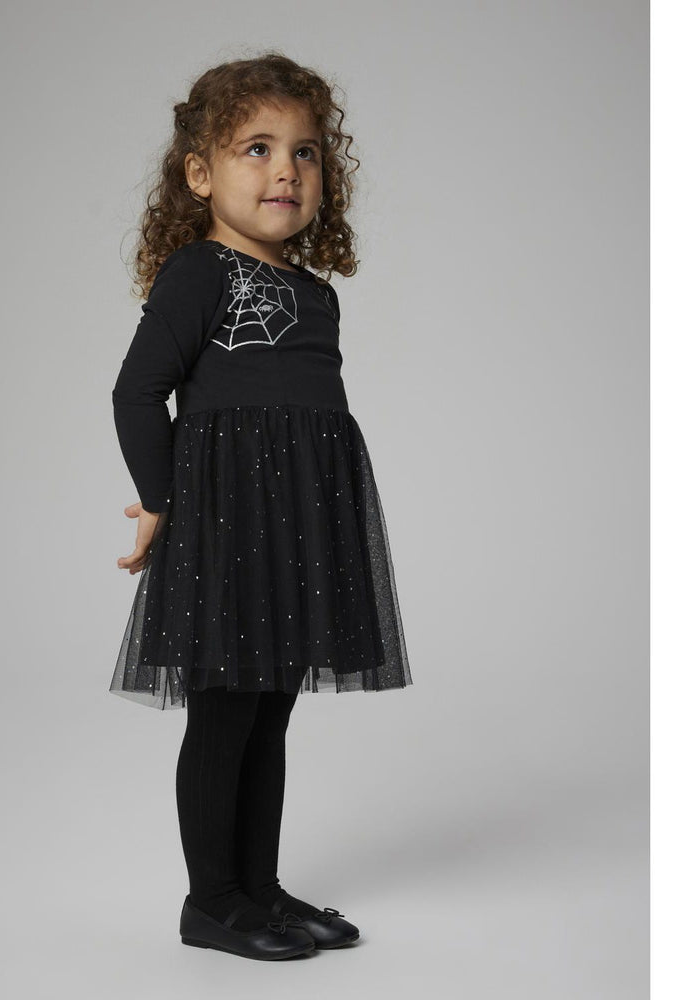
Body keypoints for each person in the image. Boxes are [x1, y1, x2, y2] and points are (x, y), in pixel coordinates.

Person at [109, 52, 413, 960]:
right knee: (226, 712)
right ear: (201, 174)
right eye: (257, 148)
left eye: (305, 152)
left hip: (298, 527)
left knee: (272, 708)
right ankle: (211, 902)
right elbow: (136, 392)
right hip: (224, 525)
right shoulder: (200, 273)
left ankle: (260, 890)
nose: (286, 169)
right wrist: (159, 500)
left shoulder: (316, 295)